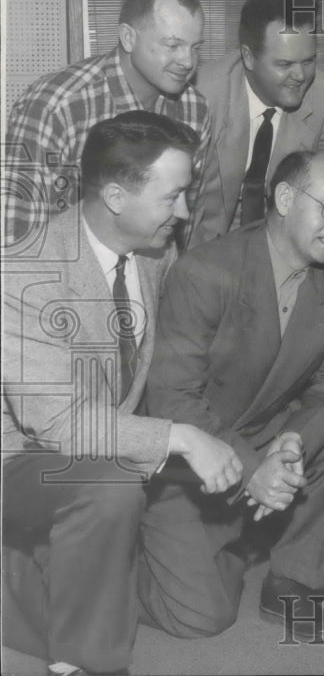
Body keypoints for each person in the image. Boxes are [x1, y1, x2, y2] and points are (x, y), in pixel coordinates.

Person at [1, 111, 242, 676]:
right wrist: (181, 437)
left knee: (205, 611)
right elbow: (57, 422)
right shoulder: (23, 272)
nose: (184, 214)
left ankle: (57, 582)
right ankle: (84, 661)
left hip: (118, 456)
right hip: (22, 462)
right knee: (108, 490)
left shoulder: (155, 254)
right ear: (114, 196)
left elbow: (170, 370)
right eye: (173, 197)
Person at [141, 150, 324, 643]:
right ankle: (117, 560)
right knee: (203, 616)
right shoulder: (205, 272)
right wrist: (252, 470)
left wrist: (292, 442)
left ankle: (292, 584)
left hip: (264, 432)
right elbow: (172, 399)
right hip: (188, 457)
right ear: (285, 198)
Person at [3, 0, 211, 254]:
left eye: (195, 47)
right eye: (172, 45)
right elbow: (19, 235)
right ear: (128, 37)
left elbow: (182, 216)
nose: (187, 61)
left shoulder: (194, 110)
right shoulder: (57, 106)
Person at [188, 0, 324, 247]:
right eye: (284, 64)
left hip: (288, 244)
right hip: (206, 243)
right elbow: (187, 209)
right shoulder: (202, 97)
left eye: (309, 61)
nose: (300, 75)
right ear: (248, 57)